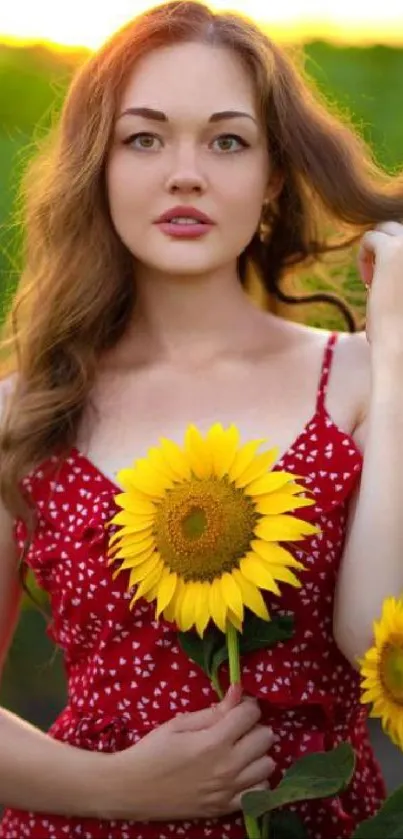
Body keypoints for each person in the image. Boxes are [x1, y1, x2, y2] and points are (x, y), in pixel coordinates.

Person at [1, 1, 403, 837]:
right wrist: (118, 786)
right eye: (143, 138)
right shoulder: (25, 409)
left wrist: (397, 355)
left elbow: (379, 639)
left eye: (227, 141)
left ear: (273, 180)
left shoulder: (362, 380)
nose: (186, 173)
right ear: (97, 168)